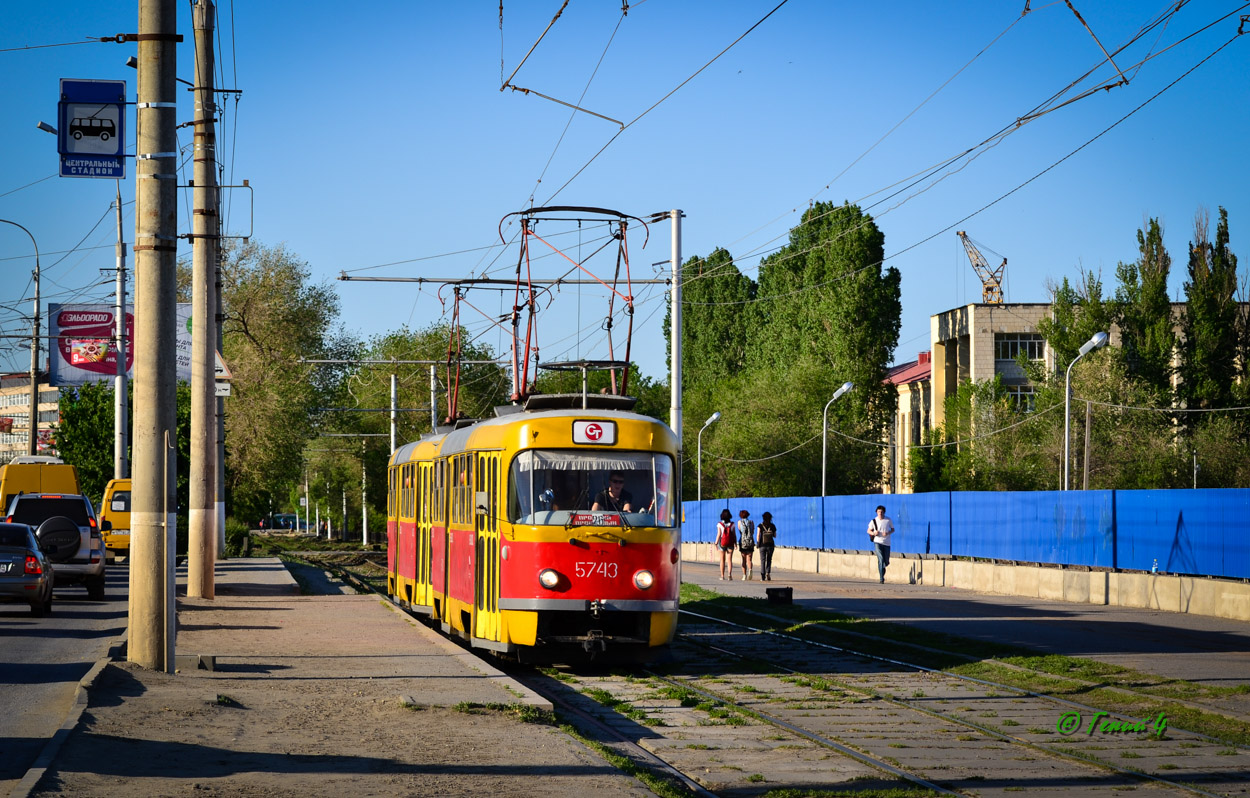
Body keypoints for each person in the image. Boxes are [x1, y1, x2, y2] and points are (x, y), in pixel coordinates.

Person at [867, 504, 894, 583]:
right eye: (878, 512)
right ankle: (881, 578)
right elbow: (868, 530)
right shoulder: (873, 521)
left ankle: (883, 569)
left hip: (886, 543)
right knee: (880, 559)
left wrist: (888, 533)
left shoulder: (888, 520)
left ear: (884, 512)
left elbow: (893, 529)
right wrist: (874, 533)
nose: (880, 513)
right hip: (877, 542)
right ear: (876, 512)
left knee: (886, 561)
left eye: (881, 512)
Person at [715, 509, 736, 580]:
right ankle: (729, 574)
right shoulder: (732, 524)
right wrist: (735, 543)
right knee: (729, 560)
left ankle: (722, 575)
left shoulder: (719, 524)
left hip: (722, 543)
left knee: (722, 560)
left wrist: (716, 542)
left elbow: (719, 534)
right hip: (730, 543)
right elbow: (734, 535)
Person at [756, 511, 777, 581]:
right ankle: (768, 572)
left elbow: (758, 535)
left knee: (762, 560)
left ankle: (762, 575)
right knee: (769, 559)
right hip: (770, 545)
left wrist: (758, 543)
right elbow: (775, 536)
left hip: (762, 545)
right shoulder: (773, 526)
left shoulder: (760, 525)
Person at [736, 510, 756, 581]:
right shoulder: (751, 522)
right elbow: (753, 532)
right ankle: (750, 570)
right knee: (749, 559)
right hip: (750, 542)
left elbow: (740, 530)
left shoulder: (739, 522)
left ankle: (744, 575)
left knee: (743, 559)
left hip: (743, 542)